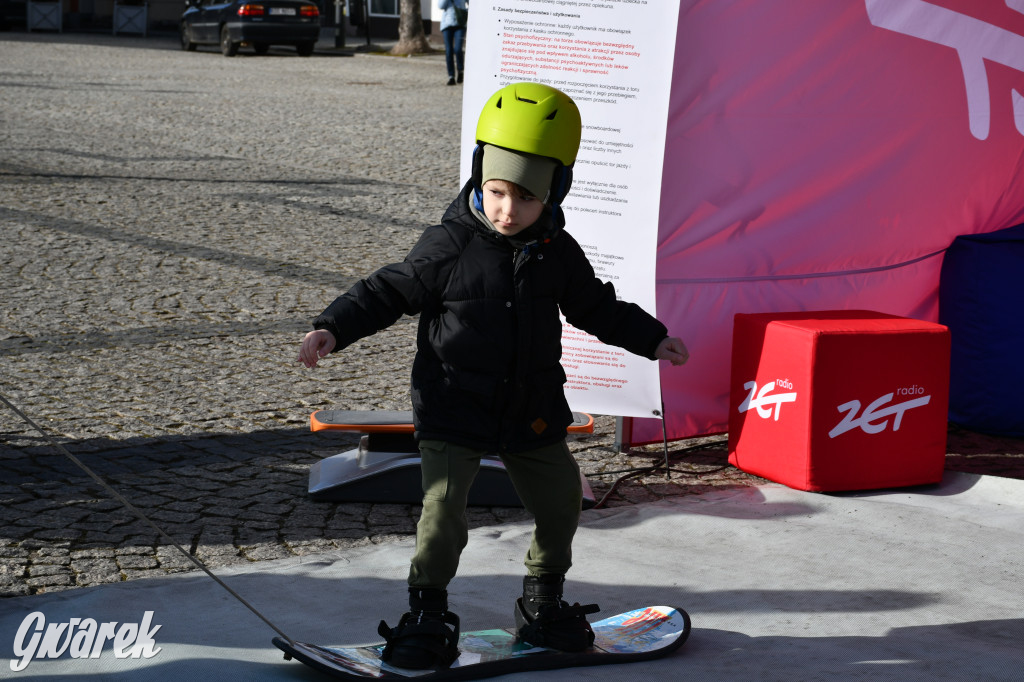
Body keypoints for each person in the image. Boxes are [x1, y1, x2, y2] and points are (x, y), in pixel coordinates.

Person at [298, 82, 689, 669]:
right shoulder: (450, 244)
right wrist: (334, 326)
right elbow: (388, 289)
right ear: (481, 178)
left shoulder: (558, 250)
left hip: (529, 406)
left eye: (525, 198)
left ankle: (541, 601)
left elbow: (595, 307)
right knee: (443, 514)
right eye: (497, 191)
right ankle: (427, 611)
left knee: (560, 503)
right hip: (453, 406)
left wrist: (652, 337)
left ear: (555, 193)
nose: (507, 209)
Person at [438, 0, 466, 85]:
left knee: (458, 49)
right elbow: (440, 6)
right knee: (449, 51)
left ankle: (460, 71)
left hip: (460, 24)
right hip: (447, 25)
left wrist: (466, 12)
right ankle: (451, 76)